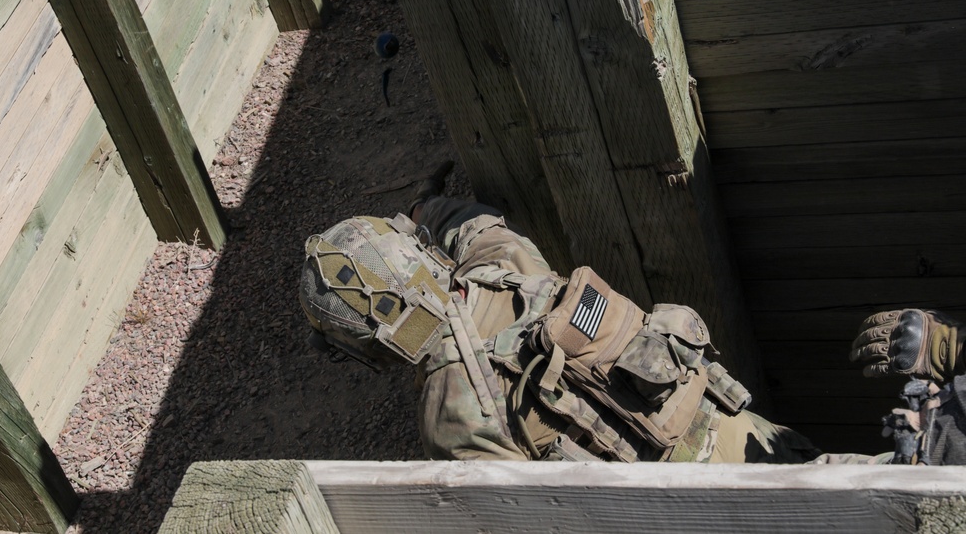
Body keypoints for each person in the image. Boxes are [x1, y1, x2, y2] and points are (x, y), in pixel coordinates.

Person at [298, 164, 965, 464]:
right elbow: (475, 226)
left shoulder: (448, 419)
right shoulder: (508, 270)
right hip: (738, 430)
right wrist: (426, 213)